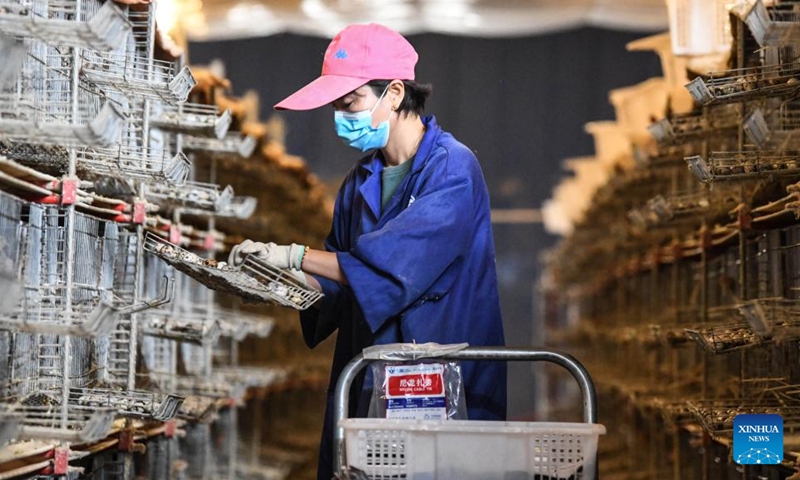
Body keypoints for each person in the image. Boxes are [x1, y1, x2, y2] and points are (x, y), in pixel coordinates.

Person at [228, 23, 506, 480]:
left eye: (350, 102)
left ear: (394, 94)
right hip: (372, 379)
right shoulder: (360, 182)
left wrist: (292, 255)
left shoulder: (453, 169)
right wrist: (276, 282)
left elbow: (388, 267)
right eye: (336, 106)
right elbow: (338, 282)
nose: (341, 117)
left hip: (438, 383)